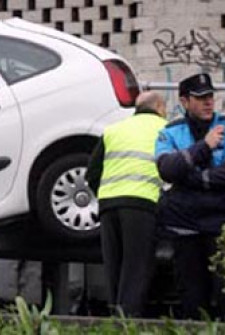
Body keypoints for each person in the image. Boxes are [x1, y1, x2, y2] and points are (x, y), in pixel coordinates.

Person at [154, 73, 225, 320]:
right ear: (185, 102)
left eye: (210, 96)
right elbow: (168, 170)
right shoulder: (170, 132)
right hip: (186, 225)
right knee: (191, 296)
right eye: (200, 98)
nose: (208, 102)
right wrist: (204, 147)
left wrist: (192, 177)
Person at [86, 91, 168, 317]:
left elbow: (92, 172)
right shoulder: (165, 130)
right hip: (142, 203)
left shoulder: (113, 130)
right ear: (159, 107)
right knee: (136, 267)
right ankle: (128, 321)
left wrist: (103, 194)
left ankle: (115, 317)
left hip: (109, 204)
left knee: (114, 265)